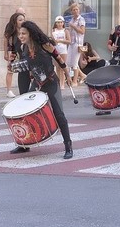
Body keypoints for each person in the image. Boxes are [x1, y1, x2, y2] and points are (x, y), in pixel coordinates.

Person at [8, 21, 73, 159]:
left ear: (30, 33)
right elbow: (27, 65)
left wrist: (67, 73)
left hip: (50, 82)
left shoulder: (44, 44)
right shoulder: (24, 47)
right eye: (19, 33)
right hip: (37, 83)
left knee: (59, 114)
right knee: (24, 112)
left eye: (23, 33)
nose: (21, 36)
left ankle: (68, 145)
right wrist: (12, 66)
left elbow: (58, 57)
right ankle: (24, 145)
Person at [4, 12, 26, 97]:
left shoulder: (26, 30)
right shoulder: (11, 30)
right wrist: (5, 53)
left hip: (24, 51)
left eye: (23, 20)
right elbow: (5, 40)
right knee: (10, 70)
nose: (22, 21)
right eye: (20, 20)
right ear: (15, 21)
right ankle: (9, 90)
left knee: (27, 70)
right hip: (14, 52)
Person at [66, 4, 86, 87]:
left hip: (78, 43)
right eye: (73, 10)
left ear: (79, 10)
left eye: (77, 9)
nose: (75, 11)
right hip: (71, 42)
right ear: (71, 11)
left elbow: (82, 31)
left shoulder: (81, 19)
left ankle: (75, 81)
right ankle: (83, 75)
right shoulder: (71, 20)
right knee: (68, 62)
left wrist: (73, 26)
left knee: (74, 63)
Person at [51, 15, 71, 90]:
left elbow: (69, 41)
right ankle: (58, 82)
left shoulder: (65, 31)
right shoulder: (53, 31)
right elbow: (52, 40)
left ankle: (62, 83)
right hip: (56, 50)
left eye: (61, 22)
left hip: (63, 50)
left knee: (62, 67)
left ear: (63, 23)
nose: (59, 24)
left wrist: (60, 41)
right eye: (58, 22)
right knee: (57, 68)